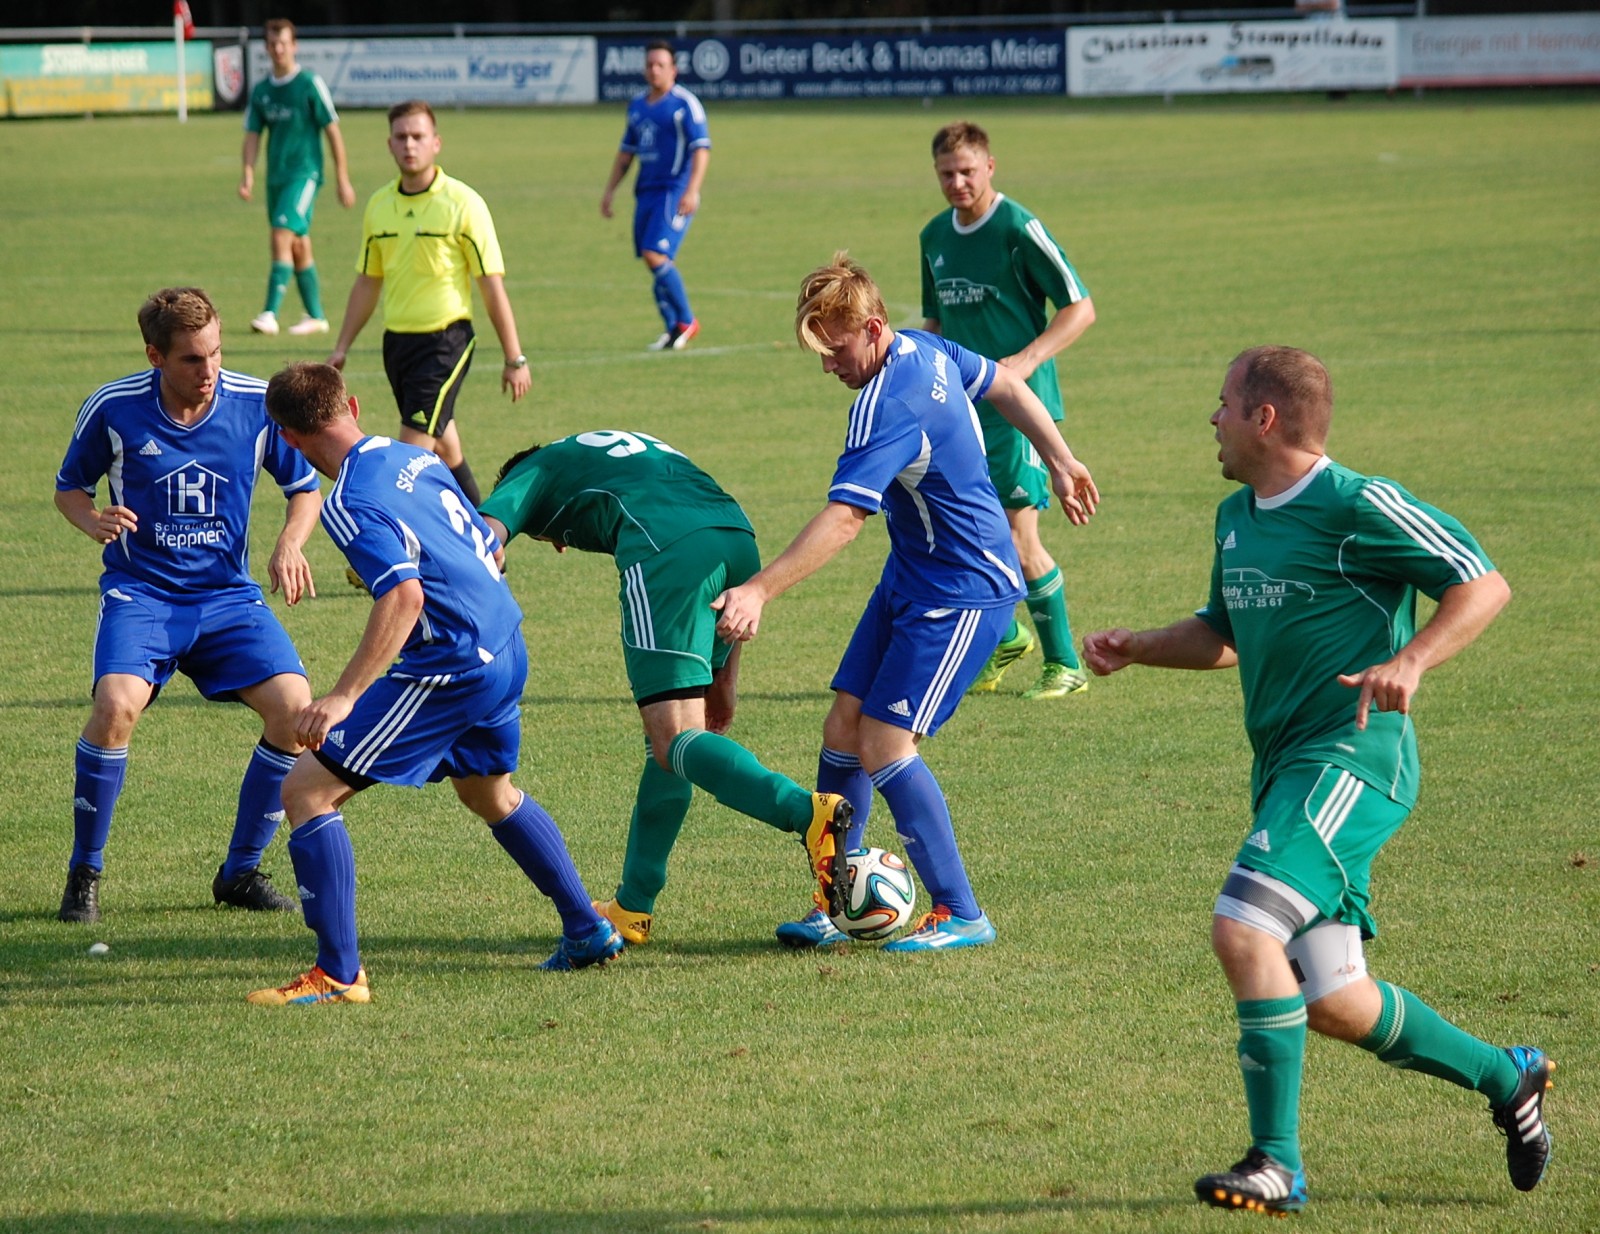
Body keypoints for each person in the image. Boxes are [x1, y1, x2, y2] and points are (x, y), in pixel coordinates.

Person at [1081, 346, 1553, 1214]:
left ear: (1264, 419)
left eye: (1223, 404)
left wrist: (1411, 660)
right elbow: (1224, 632)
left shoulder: (1358, 504)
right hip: (1284, 773)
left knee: (1243, 926)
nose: (1212, 419)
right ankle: (1507, 1076)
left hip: (1352, 761)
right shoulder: (1235, 516)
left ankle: (1278, 1164)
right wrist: (1141, 646)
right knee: (1336, 999)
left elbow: (1483, 585)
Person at [715, 253, 1099, 951]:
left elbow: (845, 519)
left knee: (884, 743)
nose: (827, 366)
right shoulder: (921, 347)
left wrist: (760, 589)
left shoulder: (887, 406)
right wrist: (1061, 457)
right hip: (913, 575)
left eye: (835, 350)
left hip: (963, 589)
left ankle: (961, 911)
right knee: (842, 729)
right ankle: (836, 903)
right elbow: (1006, 384)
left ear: (871, 329)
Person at [248, 363, 621, 1006]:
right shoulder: (413, 456)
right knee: (488, 792)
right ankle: (587, 930)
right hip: (506, 641)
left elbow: (404, 598)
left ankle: (338, 975)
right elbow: (484, 543)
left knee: (306, 791)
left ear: (286, 438)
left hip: (453, 665)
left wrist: (342, 697)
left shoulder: (347, 502)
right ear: (352, 406)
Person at [478, 430, 851, 945]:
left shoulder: (531, 471)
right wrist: (727, 678)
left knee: (671, 739)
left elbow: (482, 535)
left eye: (547, 537)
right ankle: (633, 905)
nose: (560, 544)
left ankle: (807, 813)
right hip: (735, 537)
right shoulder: (603, 453)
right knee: (674, 749)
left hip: (664, 549)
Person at [53, 286, 321, 923]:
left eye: (217, 353)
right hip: (142, 595)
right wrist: (91, 520)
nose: (210, 370)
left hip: (227, 598)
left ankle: (240, 873)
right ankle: (85, 872)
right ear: (156, 356)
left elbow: (305, 487)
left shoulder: (256, 404)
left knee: (295, 712)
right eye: (193, 359)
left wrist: (289, 542)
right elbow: (69, 489)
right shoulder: (115, 408)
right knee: (115, 707)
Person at [920, 121, 1097, 701]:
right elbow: (937, 322)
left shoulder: (1018, 228)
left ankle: (1065, 665)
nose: (957, 183)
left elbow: (1080, 307)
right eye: (947, 173)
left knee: (1020, 538)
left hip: (1020, 410)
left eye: (967, 171)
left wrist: (1025, 360)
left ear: (990, 167)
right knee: (965, 533)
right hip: (962, 408)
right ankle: (1006, 636)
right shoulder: (933, 236)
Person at [328, 99, 531, 512]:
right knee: (445, 447)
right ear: (389, 144)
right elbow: (368, 281)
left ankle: (398, 543)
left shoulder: (463, 204)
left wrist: (515, 358)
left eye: (418, 136)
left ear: (436, 142)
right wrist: (342, 346)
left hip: (444, 344)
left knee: (408, 459)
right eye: (401, 137)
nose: (409, 145)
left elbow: (491, 286)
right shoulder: (379, 205)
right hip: (396, 345)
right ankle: (486, 537)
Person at [239, 18, 356, 338]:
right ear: (266, 48)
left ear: (294, 46)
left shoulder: (309, 84)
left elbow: (332, 130)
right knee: (298, 243)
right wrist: (247, 173)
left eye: (283, 43)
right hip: (276, 179)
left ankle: (269, 313)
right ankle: (316, 316)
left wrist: (342, 178)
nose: (278, 49)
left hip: (305, 174)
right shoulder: (262, 91)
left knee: (281, 234)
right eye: (272, 44)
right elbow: (252, 135)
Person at [599, 41, 710, 352]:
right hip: (645, 193)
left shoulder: (685, 104)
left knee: (655, 255)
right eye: (649, 64)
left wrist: (692, 190)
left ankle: (686, 321)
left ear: (673, 69)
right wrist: (610, 191)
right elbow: (626, 153)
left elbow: (701, 149)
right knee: (655, 261)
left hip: (673, 191)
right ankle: (672, 328)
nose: (654, 70)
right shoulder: (637, 106)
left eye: (660, 65)